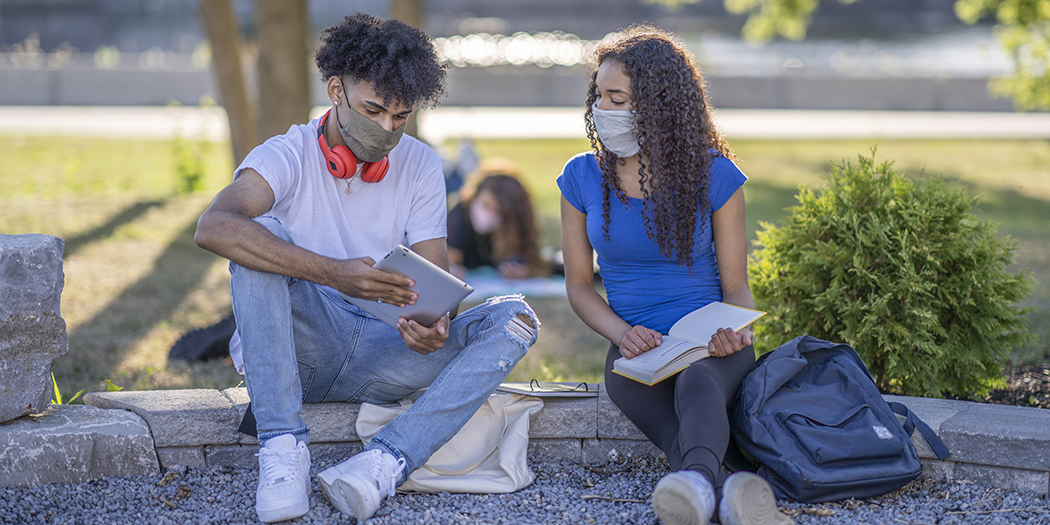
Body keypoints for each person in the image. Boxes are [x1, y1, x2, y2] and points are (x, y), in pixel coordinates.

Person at [194, 14, 539, 524]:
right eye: (373, 110)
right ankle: (282, 448)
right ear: (336, 90)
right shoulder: (286, 154)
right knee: (259, 238)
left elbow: (435, 285)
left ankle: (384, 462)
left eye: (399, 118)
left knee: (515, 317)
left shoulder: (420, 166)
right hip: (299, 354)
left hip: (386, 353)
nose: (386, 130)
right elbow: (214, 226)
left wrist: (433, 324)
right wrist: (335, 273)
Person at [557, 25, 793, 525]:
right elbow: (579, 285)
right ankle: (723, 492)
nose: (602, 108)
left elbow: (736, 285)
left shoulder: (716, 176)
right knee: (651, 404)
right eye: (599, 95)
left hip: (712, 342)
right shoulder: (580, 176)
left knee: (698, 384)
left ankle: (694, 489)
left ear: (657, 106)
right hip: (636, 349)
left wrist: (737, 327)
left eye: (616, 98)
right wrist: (622, 335)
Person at [447, 160, 546, 280]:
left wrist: (525, 271)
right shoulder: (459, 215)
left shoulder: (515, 228)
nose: (489, 214)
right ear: (476, 195)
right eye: (486, 205)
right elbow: (450, 258)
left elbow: (536, 261)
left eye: (497, 211)